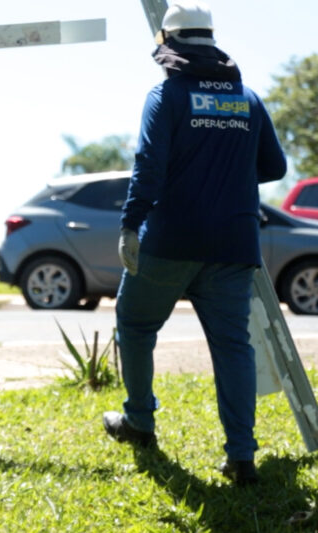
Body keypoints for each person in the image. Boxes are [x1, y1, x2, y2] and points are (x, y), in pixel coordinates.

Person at [101, 1, 286, 486]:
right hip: (234, 243)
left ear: (170, 43)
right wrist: (227, 175)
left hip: (171, 239)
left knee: (136, 324)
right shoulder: (247, 97)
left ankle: (139, 422)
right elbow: (276, 168)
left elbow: (149, 166)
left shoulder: (166, 96)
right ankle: (242, 457)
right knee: (233, 347)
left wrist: (129, 225)